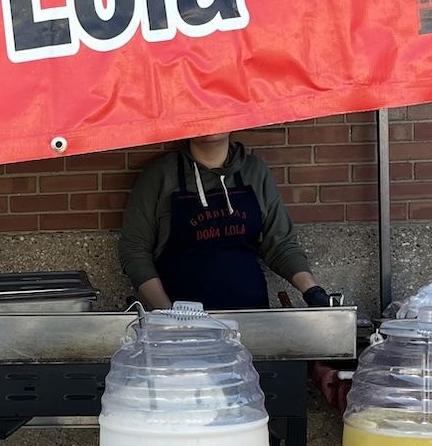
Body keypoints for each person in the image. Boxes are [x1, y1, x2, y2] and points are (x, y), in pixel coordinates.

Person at [117, 131, 330, 311]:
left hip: (250, 319)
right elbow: (134, 250)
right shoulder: (160, 175)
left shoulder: (255, 172)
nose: (209, 121)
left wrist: (312, 291)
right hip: (180, 326)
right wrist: (168, 314)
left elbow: (280, 244)